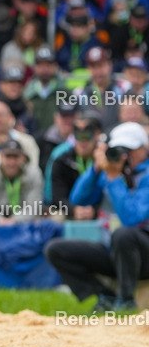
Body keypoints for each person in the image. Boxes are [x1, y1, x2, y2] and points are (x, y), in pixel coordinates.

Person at [45, 122, 149, 311]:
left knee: (124, 234)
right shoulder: (111, 172)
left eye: (129, 150)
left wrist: (114, 179)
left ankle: (126, 301)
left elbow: (132, 219)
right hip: (114, 251)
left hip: (144, 255)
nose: (124, 156)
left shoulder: (142, 176)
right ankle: (106, 297)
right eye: (119, 149)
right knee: (55, 249)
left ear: (144, 149)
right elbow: (78, 199)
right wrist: (95, 169)